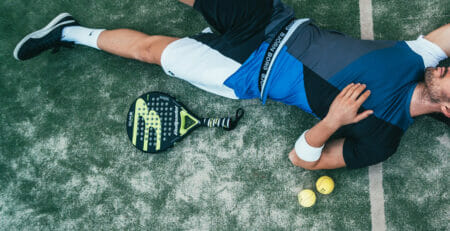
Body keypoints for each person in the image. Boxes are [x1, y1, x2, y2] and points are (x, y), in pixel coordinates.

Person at [13, 0, 449, 170]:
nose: (448, 66)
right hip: (270, 20)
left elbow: (303, 161)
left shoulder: (383, 139)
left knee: (150, 50)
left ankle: (67, 33)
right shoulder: (422, 57)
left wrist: (332, 120)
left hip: (240, 74)